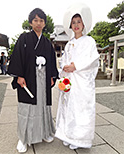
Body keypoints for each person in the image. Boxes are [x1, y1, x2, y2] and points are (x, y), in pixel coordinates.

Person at [7, 8, 58, 153]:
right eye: (35, 20)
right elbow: (17, 56)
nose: (38, 23)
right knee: (27, 108)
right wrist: (19, 76)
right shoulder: (24, 38)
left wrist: (51, 77)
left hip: (43, 79)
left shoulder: (47, 42)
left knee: (42, 106)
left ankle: (44, 133)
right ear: (30, 22)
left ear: (44, 23)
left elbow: (52, 61)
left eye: (41, 20)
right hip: (28, 78)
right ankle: (23, 138)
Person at [55, 3, 100, 150]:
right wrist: (64, 67)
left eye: (78, 22)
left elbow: (92, 60)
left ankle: (80, 139)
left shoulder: (89, 41)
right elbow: (63, 60)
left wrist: (76, 66)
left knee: (81, 110)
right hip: (70, 80)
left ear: (83, 24)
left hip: (82, 82)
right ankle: (68, 135)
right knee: (68, 108)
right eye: (73, 22)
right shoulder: (69, 44)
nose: (76, 25)